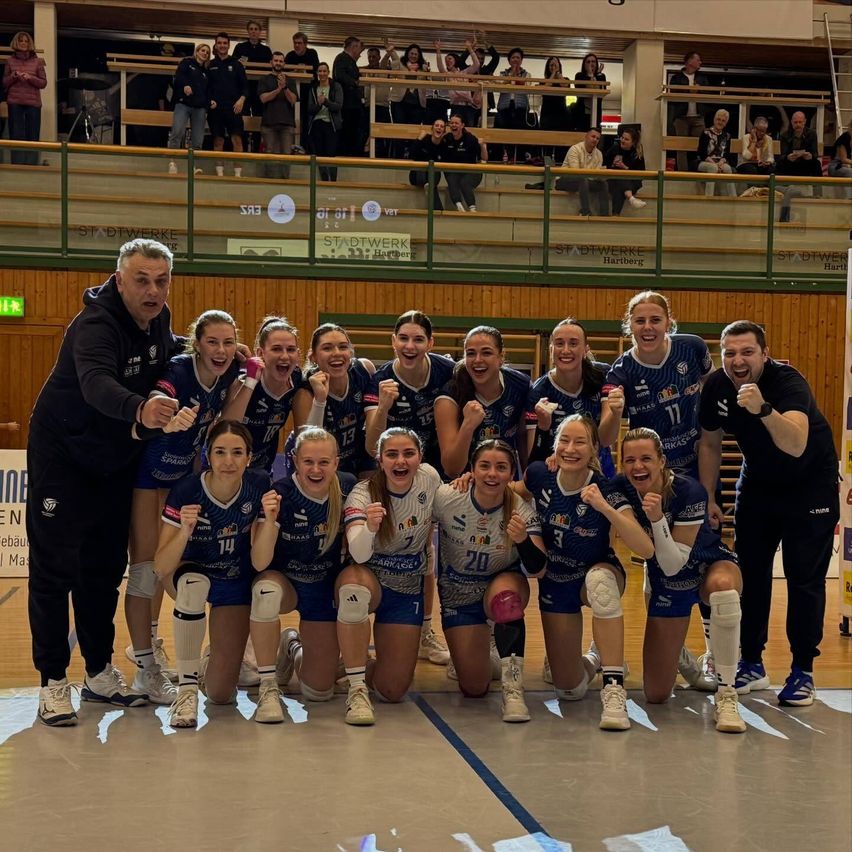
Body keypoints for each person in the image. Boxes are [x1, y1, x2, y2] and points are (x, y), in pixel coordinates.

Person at [27, 239, 183, 726]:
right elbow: (96, 382)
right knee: (55, 569)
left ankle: (97, 673)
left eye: (161, 280)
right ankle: (53, 681)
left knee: (102, 568)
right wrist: (140, 409)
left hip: (114, 457)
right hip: (63, 454)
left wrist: (206, 346)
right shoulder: (95, 325)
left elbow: (167, 353)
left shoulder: (158, 318)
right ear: (120, 280)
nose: (153, 290)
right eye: (142, 280)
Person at [698, 320, 839, 706]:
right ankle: (752, 663)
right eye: (729, 353)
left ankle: (802, 671)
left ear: (764, 353)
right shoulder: (716, 386)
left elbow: (795, 443)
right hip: (759, 483)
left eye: (746, 352)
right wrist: (709, 495)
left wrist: (763, 409)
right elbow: (710, 444)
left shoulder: (788, 382)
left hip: (810, 484)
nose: (737, 361)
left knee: (803, 578)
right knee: (752, 574)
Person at [599, 291, 717, 690]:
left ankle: (714, 655)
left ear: (669, 322)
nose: (647, 327)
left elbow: (709, 419)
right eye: (639, 321)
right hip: (648, 477)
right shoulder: (621, 372)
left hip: (690, 474)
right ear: (628, 326)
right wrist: (614, 413)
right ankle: (677, 651)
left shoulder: (693, 349)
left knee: (698, 558)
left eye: (655, 319)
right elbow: (606, 437)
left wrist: (709, 491)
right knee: (659, 561)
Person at [125, 310, 241, 706]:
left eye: (228, 342)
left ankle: (165, 647)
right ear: (196, 343)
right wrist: (164, 418)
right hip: (147, 476)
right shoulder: (179, 369)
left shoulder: (228, 372)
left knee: (172, 569)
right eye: (212, 342)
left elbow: (232, 407)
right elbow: (159, 395)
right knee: (145, 570)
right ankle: (145, 666)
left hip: (181, 479)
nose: (221, 350)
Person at [517, 416, 653, 730]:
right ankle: (595, 658)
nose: (571, 448)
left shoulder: (608, 486)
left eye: (580, 442)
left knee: (600, 584)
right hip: (556, 579)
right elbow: (507, 491)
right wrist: (469, 481)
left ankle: (614, 687)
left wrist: (604, 507)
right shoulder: (540, 475)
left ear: (594, 447)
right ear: (554, 446)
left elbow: (644, 548)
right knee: (570, 689)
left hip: (596, 568)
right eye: (564, 440)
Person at [618, 427, 746, 732]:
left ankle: (727, 694)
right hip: (668, 584)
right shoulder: (619, 488)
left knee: (724, 592)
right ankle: (682, 656)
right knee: (657, 694)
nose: (638, 467)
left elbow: (675, 562)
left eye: (647, 458)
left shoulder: (690, 491)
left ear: (662, 461)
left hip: (706, 566)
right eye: (630, 460)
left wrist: (657, 517)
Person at [153, 420, 272, 728]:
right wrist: (184, 532)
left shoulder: (259, 486)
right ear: (208, 455)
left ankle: (207, 661)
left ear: (249, 457)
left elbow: (260, 563)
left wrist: (269, 521)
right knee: (194, 586)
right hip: (188, 573)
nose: (228, 461)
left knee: (220, 693)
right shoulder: (188, 490)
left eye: (237, 453)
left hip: (234, 579)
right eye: (220, 452)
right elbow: (161, 566)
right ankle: (187, 689)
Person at [363, 311, 456, 665]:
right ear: (393, 341)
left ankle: (426, 631)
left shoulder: (448, 373)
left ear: (430, 343)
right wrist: (383, 407)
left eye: (418, 339)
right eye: (403, 338)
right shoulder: (381, 378)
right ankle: (365, 626)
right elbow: (372, 441)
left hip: (432, 476)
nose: (410, 345)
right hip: (390, 474)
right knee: (380, 548)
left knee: (427, 552)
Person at [433, 439, 546, 722]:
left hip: (499, 584)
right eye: (484, 466)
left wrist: (522, 540)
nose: (492, 474)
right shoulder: (447, 497)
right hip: (458, 593)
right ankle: (487, 651)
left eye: (501, 467)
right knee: (474, 687)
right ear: (471, 470)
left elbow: (539, 568)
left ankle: (513, 689)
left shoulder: (521, 509)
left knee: (507, 599)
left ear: (511, 474)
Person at [248, 427, 355, 722]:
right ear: (295, 460)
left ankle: (291, 644)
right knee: (264, 592)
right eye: (308, 461)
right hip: (287, 584)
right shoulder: (281, 494)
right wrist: (269, 521)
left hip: (323, 590)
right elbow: (259, 562)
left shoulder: (348, 487)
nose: (316, 469)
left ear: (336, 462)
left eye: (324, 462)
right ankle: (268, 686)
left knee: (318, 691)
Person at [339, 428, 443, 724]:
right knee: (352, 591)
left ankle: (348, 663)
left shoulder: (429, 479)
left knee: (393, 689)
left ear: (420, 458)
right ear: (380, 460)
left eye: (408, 453)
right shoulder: (363, 493)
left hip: (407, 588)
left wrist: (468, 481)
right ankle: (356, 688)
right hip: (369, 579)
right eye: (392, 454)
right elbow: (358, 554)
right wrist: (370, 528)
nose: (400, 461)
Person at [435, 324, 531, 478]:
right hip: (464, 484)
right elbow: (452, 469)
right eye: (471, 353)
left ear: (501, 357)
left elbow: (522, 436)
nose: (477, 360)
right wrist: (467, 426)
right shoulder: (451, 395)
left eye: (486, 353)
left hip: (506, 483)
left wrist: (527, 481)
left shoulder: (520, 385)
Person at [526, 318, 614, 474]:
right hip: (560, 468)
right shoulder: (539, 392)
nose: (565, 350)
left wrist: (616, 412)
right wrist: (543, 427)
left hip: (598, 465)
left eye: (573, 343)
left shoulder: (602, 376)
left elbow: (605, 440)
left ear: (585, 350)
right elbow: (533, 459)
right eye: (559, 344)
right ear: (551, 349)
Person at [292, 323, 375, 476]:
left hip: (357, 454)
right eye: (327, 348)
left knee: (374, 489)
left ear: (351, 352)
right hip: (319, 461)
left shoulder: (364, 370)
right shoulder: (305, 392)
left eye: (343, 347)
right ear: (314, 357)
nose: (336, 353)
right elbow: (307, 446)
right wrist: (320, 400)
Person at [222, 316, 302, 473]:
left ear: (298, 355)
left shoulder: (298, 380)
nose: (285, 356)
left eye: (291, 350)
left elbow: (305, 433)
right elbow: (225, 428)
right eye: (277, 349)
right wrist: (251, 383)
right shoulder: (242, 380)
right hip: (227, 467)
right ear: (260, 353)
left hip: (262, 469)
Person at [167, 43, 212, 175]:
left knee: (198, 139)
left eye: (207, 52)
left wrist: (209, 102)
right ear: (197, 52)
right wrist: (185, 86)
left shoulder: (206, 72)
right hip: (183, 103)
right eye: (202, 50)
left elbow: (208, 91)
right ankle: (172, 162)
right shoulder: (187, 63)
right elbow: (179, 77)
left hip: (199, 107)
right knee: (177, 132)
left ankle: (193, 166)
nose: (205, 53)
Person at [207, 33, 248, 177]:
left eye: (225, 43)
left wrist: (241, 99)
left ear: (229, 45)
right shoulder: (210, 65)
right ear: (216, 45)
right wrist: (209, 100)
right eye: (220, 43)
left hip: (234, 108)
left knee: (237, 139)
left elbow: (245, 87)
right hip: (216, 110)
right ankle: (220, 174)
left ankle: (238, 175)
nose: (222, 45)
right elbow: (206, 87)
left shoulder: (237, 64)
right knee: (218, 140)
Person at [3, 32, 46, 166]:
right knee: (16, 135)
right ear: (16, 43)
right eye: (20, 41)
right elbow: (4, 82)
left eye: (26, 41)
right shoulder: (10, 61)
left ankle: (32, 166)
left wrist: (30, 78)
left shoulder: (37, 61)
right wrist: (14, 76)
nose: (23, 43)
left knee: (33, 135)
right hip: (15, 103)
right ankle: (17, 165)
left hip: (33, 104)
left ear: (29, 44)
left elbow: (43, 83)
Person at [232, 20, 273, 153]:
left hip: (260, 88)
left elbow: (269, 69)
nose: (254, 31)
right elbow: (235, 66)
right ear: (248, 31)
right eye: (251, 29)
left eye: (256, 29)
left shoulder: (266, 50)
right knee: (242, 117)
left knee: (259, 116)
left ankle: (256, 149)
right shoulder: (240, 48)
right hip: (244, 87)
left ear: (260, 32)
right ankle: (242, 148)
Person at [257, 52, 298, 179]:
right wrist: (278, 89)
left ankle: (285, 182)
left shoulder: (290, 80)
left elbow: (293, 100)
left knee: (286, 154)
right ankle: (270, 182)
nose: (278, 63)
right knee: (269, 154)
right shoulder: (264, 79)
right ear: (271, 62)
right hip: (269, 123)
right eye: (276, 60)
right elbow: (263, 98)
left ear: (284, 63)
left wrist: (285, 87)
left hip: (287, 124)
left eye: (281, 61)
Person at [668, 51, 710, 172]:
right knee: (681, 147)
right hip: (681, 117)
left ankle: (697, 171)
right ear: (690, 61)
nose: (700, 62)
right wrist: (689, 92)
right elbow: (673, 95)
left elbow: (708, 94)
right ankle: (683, 172)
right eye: (698, 60)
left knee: (700, 145)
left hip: (698, 116)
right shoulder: (677, 78)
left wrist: (699, 91)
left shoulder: (702, 78)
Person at [777, 111, 822, 222]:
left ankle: (819, 194)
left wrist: (810, 156)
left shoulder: (812, 134)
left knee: (817, 163)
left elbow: (815, 154)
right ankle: (783, 186)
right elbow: (782, 156)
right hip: (791, 164)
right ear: (791, 123)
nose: (797, 125)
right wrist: (788, 157)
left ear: (804, 122)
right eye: (795, 122)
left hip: (805, 163)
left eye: (800, 122)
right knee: (780, 164)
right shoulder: (785, 135)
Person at [554, 127, 609, 216]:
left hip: (585, 181)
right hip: (564, 180)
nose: (595, 139)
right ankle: (585, 211)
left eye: (597, 138)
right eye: (593, 136)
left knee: (603, 184)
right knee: (582, 179)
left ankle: (604, 214)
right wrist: (594, 174)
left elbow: (596, 174)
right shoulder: (575, 149)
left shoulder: (599, 154)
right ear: (586, 137)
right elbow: (576, 172)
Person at [441, 113, 488, 212]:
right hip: (454, 173)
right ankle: (458, 205)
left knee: (464, 183)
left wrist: (482, 146)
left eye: (456, 123)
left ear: (462, 125)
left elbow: (485, 158)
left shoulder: (470, 139)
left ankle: (472, 208)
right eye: (451, 123)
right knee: (451, 176)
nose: (453, 125)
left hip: (472, 172)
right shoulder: (446, 139)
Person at [306, 63, 343, 182]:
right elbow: (310, 109)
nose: (322, 74)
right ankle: (323, 180)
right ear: (317, 73)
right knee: (319, 155)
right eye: (320, 71)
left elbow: (338, 106)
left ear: (328, 72)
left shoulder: (336, 86)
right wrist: (318, 104)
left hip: (331, 124)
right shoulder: (313, 88)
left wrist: (326, 102)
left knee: (331, 154)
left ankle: (332, 181)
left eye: (324, 71)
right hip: (317, 123)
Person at [284, 31, 320, 150]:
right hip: (293, 91)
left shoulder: (312, 53)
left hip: (308, 91)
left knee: (306, 120)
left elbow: (315, 72)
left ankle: (305, 146)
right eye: (295, 43)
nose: (297, 46)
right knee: (292, 118)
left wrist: (302, 70)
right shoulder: (290, 56)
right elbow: (286, 73)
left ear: (305, 44)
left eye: (299, 43)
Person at [495, 48, 531, 163]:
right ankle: (505, 155)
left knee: (519, 132)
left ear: (521, 60)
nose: (515, 59)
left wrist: (515, 75)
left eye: (518, 57)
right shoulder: (502, 73)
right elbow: (499, 84)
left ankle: (518, 157)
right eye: (513, 57)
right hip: (505, 106)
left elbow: (527, 85)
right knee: (504, 130)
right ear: (509, 60)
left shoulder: (527, 74)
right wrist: (511, 75)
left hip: (520, 107)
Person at [434, 39, 480, 129]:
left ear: (455, 60)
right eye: (446, 60)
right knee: (455, 130)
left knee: (469, 130)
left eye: (450, 59)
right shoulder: (448, 75)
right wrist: (438, 50)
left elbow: (477, 64)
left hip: (468, 107)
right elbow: (440, 67)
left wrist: (470, 49)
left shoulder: (464, 72)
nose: (447, 61)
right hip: (455, 106)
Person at [332, 36, 364, 157]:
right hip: (346, 103)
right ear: (353, 47)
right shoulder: (342, 59)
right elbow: (339, 75)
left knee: (352, 131)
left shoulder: (349, 61)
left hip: (352, 103)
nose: (360, 52)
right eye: (359, 48)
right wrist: (355, 83)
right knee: (347, 132)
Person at [603, 127, 647, 215]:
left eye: (626, 139)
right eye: (622, 137)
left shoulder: (637, 154)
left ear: (633, 142)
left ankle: (615, 215)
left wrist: (625, 168)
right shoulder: (615, 148)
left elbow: (641, 174)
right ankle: (631, 198)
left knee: (619, 185)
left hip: (632, 182)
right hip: (613, 179)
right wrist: (611, 165)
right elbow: (604, 163)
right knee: (617, 173)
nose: (622, 140)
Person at [408, 118, 446, 210]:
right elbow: (411, 155)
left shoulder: (444, 145)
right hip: (417, 175)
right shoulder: (424, 140)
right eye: (436, 125)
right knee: (432, 176)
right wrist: (419, 139)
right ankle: (438, 210)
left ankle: (436, 208)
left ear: (444, 132)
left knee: (434, 173)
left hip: (432, 177)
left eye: (441, 126)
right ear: (432, 129)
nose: (439, 128)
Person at [696, 109, 735, 197]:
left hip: (719, 162)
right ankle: (709, 197)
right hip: (705, 161)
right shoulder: (706, 133)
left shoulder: (727, 136)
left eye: (723, 121)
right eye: (718, 119)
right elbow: (702, 153)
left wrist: (721, 162)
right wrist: (715, 164)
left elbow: (727, 154)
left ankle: (733, 197)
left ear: (726, 123)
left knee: (728, 168)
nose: (720, 122)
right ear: (714, 120)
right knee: (713, 168)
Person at [540, 57, 570, 162]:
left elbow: (564, 85)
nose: (553, 67)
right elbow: (546, 88)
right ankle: (546, 162)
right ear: (547, 68)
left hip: (562, 114)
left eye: (555, 65)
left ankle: (560, 162)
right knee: (547, 140)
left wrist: (557, 74)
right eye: (551, 65)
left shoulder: (565, 79)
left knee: (561, 140)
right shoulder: (544, 81)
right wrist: (553, 74)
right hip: (547, 114)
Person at [570, 53, 606, 133]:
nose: (591, 64)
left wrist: (596, 74)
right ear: (584, 64)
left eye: (593, 61)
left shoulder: (601, 76)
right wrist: (590, 74)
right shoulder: (579, 75)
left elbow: (599, 91)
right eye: (588, 62)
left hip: (595, 111)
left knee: (594, 134)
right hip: (581, 111)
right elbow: (587, 89)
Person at [736, 116, 775, 183]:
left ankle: (766, 191)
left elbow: (771, 157)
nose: (762, 133)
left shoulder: (768, 139)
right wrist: (754, 141)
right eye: (760, 130)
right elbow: (746, 156)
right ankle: (754, 191)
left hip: (761, 164)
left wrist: (767, 162)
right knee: (752, 170)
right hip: (746, 164)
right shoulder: (746, 137)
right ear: (754, 129)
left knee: (771, 170)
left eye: (764, 131)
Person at [828, 117, 852, 199]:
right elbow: (843, 159)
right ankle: (849, 199)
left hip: (847, 165)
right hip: (836, 166)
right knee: (850, 172)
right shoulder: (844, 138)